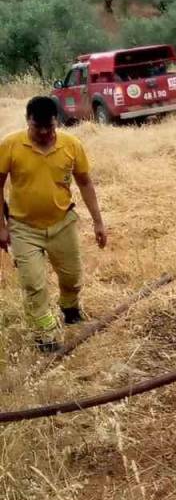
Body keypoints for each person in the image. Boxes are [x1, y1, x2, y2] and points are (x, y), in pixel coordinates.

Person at [0, 96, 107, 352]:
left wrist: (98, 222)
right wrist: (2, 227)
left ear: (56, 121)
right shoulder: (10, 145)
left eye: (50, 126)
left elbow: (85, 182)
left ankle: (69, 307)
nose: (45, 133)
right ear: (28, 121)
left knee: (72, 277)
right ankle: (45, 335)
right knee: (34, 284)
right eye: (39, 128)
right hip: (23, 228)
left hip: (63, 223)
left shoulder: (72, 145)